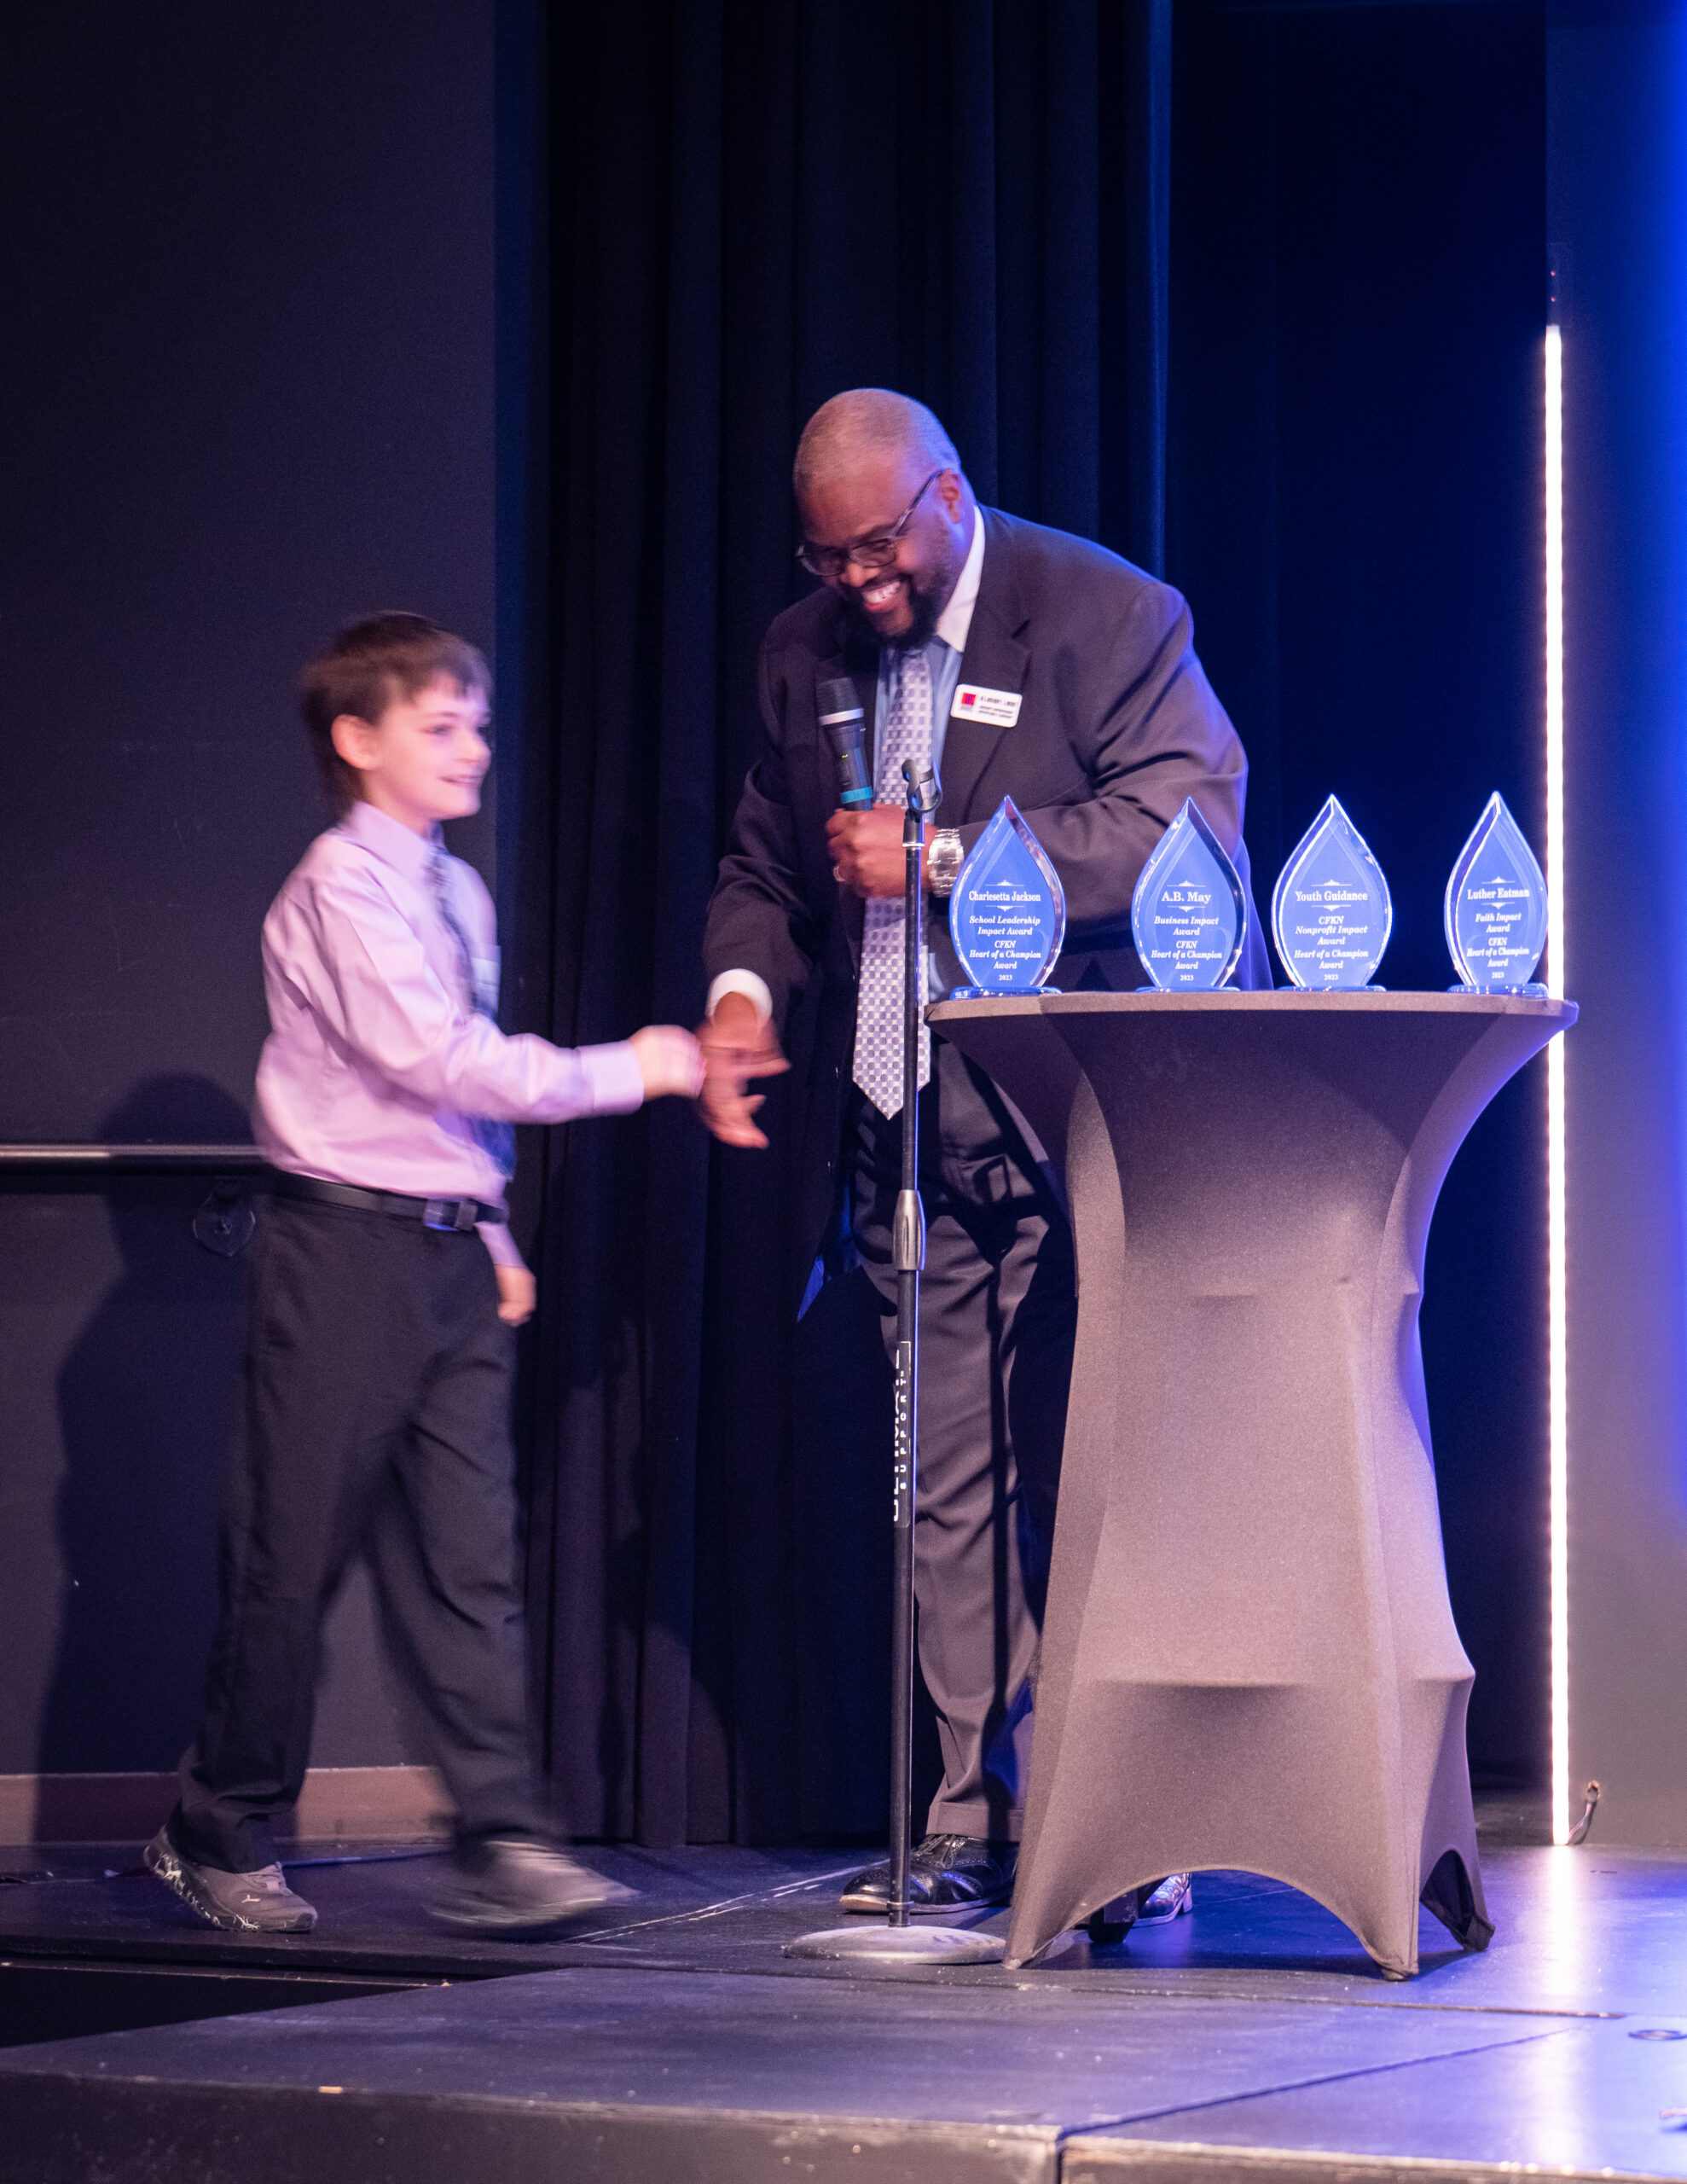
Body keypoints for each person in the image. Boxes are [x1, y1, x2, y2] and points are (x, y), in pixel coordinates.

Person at [699, 391, 1269, 1916]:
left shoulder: (1104, 610)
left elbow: (1187, 827)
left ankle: (1122, 1821)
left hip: (1084, 1116)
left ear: (947, 497)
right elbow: (768, 860)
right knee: (941, 1481)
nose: (861, 586)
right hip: (902, 1116)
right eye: (830, 561)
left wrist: (948, 859)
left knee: (1099, 1473)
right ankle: (971, 1814)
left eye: (880, 551)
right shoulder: (804, 651)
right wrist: (741, 996)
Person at [147, 613, 704, 1935]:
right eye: (440, 726)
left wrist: (491, 1231)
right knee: (292, 1561)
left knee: (470, 1562)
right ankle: (215, 1827)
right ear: (357, 739)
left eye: (479, 725)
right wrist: (634, 1066)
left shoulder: (455, 891)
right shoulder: (339, 887)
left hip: (447, 1254)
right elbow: (434, 1059)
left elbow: (450, 1107)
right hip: (342, 1253)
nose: (473, 749)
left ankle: (502, 1837)